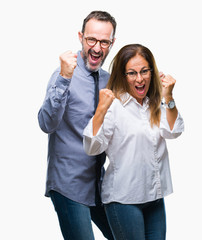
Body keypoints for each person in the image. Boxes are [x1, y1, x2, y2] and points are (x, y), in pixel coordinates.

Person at [83, 44, 184, 240]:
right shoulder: (114, 106)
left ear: (152, 72)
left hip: (154, 197)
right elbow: (92, 147)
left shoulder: (154, 103)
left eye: (144, 71)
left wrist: (169, 97)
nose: (139, 79)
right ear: (123, 76)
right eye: (132, 73)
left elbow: (174, 131)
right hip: (124, 200)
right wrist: (100, 111)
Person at [38, 11, 116, 240]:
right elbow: (46, 123)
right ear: (81, 37)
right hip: (68, 184)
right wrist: (64, 77)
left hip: (100, 185)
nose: (97, 47)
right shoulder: (63, 74)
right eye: (91, 39)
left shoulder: (109, 80)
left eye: (104, 42)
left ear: (112, 43)